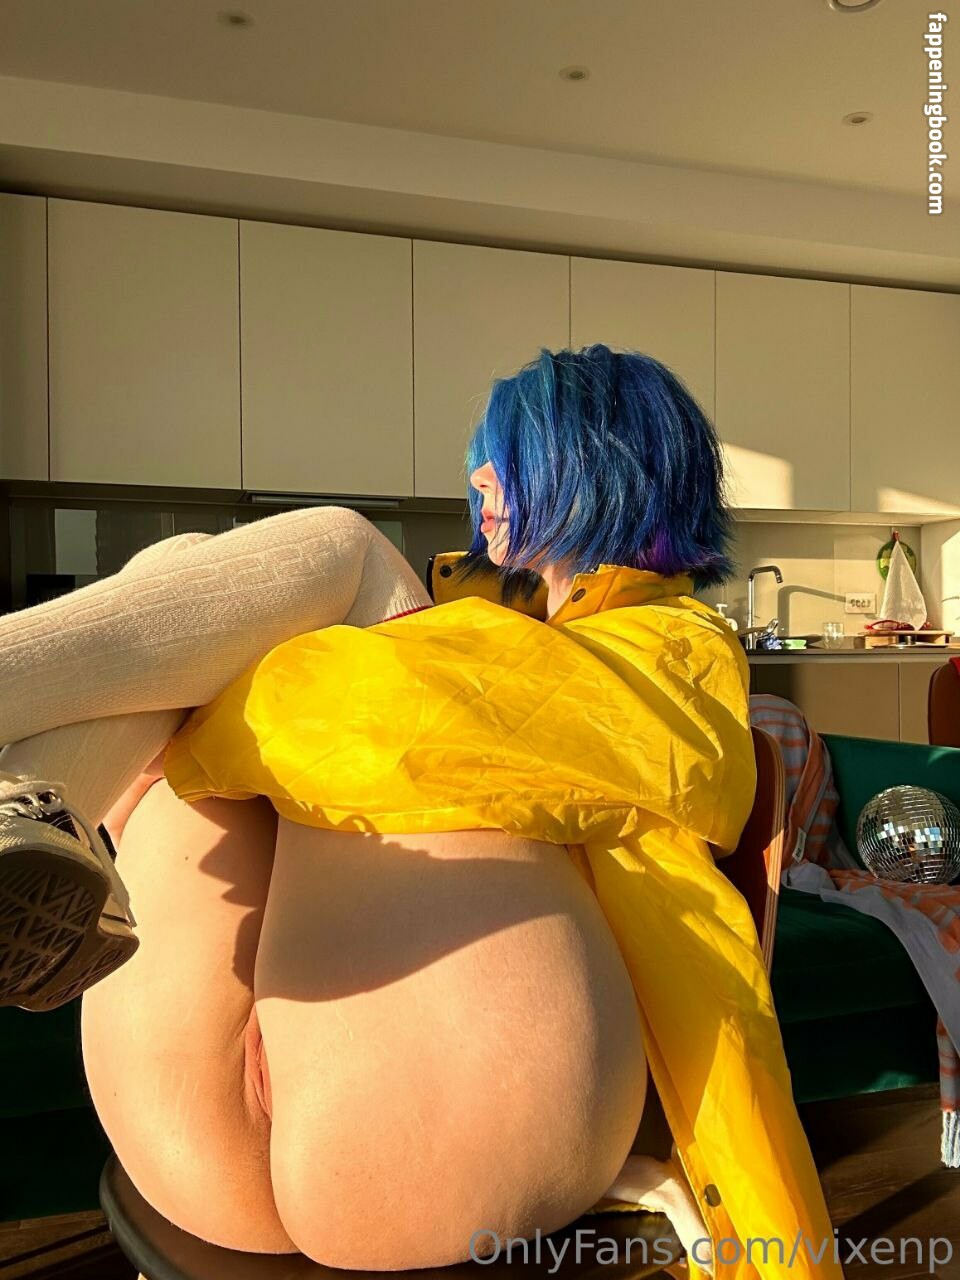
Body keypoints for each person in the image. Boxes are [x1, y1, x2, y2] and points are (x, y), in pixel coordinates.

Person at [0, 345, 839, 1279]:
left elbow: (388, 713)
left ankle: (37, 775)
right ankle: (25, 806)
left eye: (508, 456)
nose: (478, 480)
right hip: (207, 1136)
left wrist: (204, 706)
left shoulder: (677, 645)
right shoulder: (485, 635)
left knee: (325, 558)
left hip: (428, 1128)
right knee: (190, 569)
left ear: (604, 464)